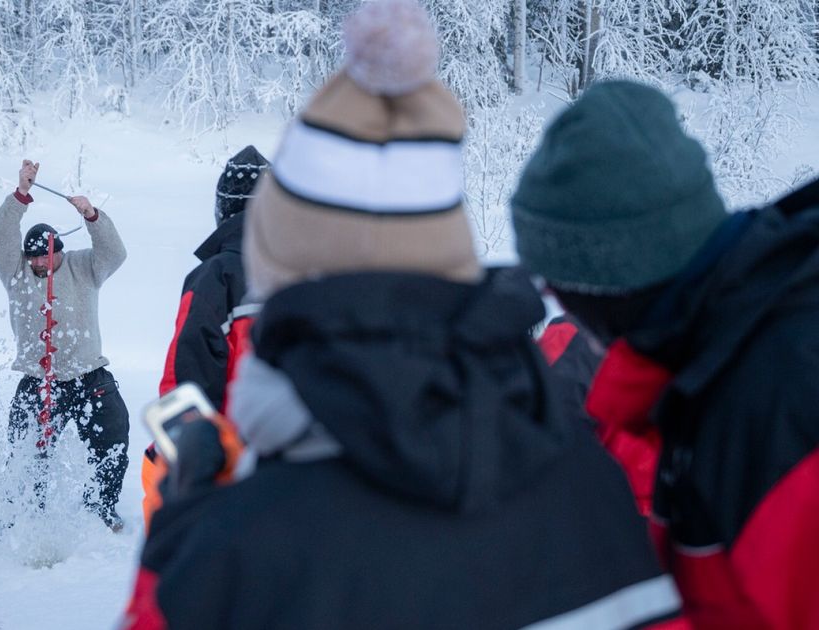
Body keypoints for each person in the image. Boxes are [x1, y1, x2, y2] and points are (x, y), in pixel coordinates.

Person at [122, 2, 681, 628]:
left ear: (281, 271)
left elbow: (184, 375)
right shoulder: (591, 493)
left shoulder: (233, 554)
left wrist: (172, 563)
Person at [511, 79, 819, 628]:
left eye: (556, 282)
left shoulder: (779, 403)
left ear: (610, 282)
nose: (554, 303)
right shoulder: (711, 367)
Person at [0, 159, 130, 531]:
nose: (37, 262)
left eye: (44, 256)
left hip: (89, 374)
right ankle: (23, 516)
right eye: (32, 256)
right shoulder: (16, 273)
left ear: (59, 251)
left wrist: (92, 216)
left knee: (113, 435)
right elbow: (1, 238)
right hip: (38, 379)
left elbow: (115, 253)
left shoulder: (84, 266)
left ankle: (102, 508)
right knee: (26, 451)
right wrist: (21, 194)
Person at [141, 145, 270, 530]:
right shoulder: (315, 274)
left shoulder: (216, 277)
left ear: (224, 209)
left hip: (229, 479)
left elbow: (185, 387)